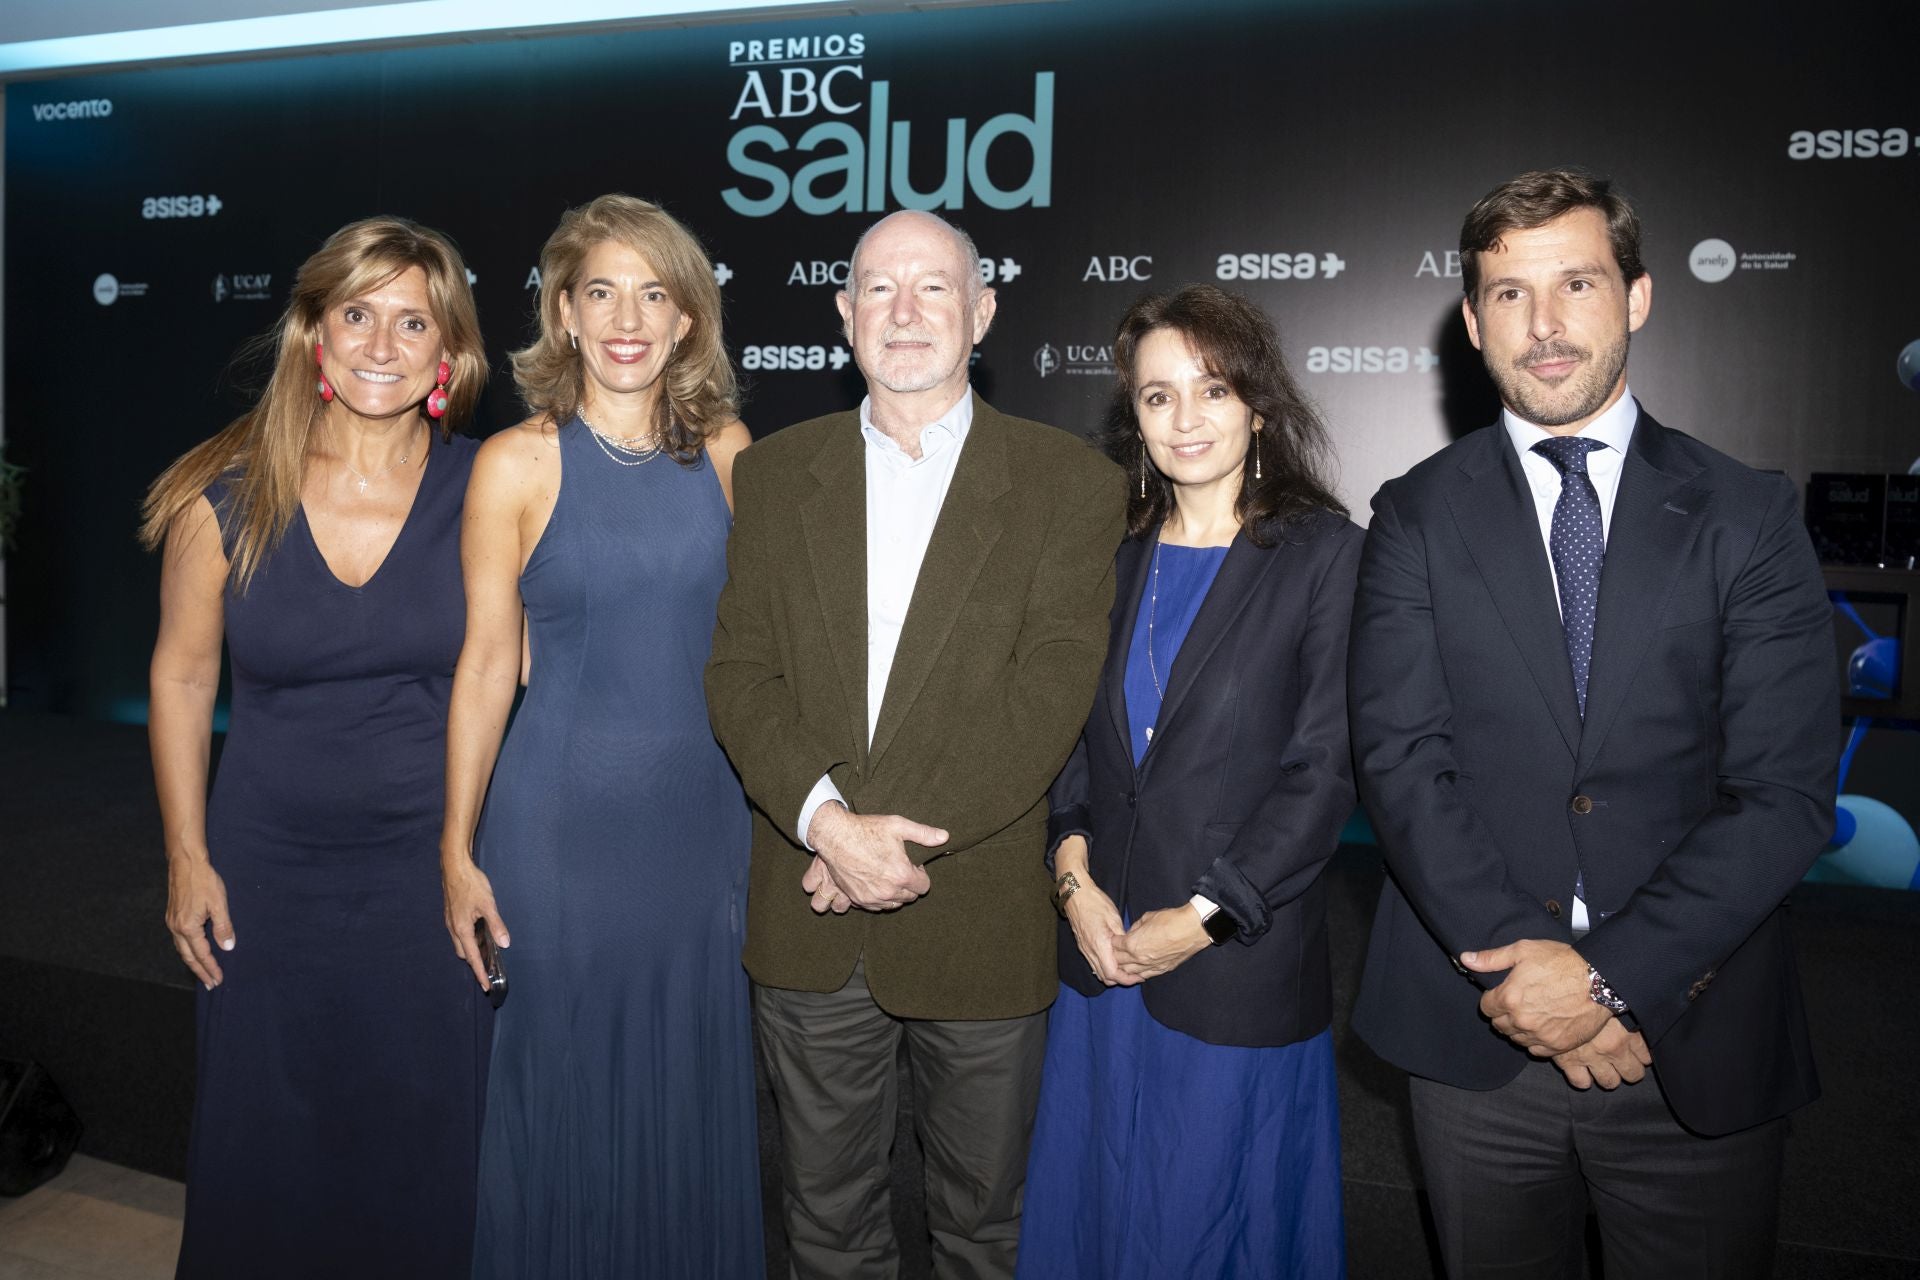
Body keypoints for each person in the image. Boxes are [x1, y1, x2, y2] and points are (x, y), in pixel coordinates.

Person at [1348, 168, 1838, 1278]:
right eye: (1510, 294)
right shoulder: (1414, 512)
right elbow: (1401, 763)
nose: (1548, 324)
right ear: (1473, 322)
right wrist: (1537, 985)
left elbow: (1783, 794)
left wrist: (1606, 977)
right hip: (1477, 1028)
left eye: (1576, 282)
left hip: (1693, 1034)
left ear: (1639, 295)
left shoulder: (1748, 514)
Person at [704, 209, 1125, 1279]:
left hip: (978, 917)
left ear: (981, 313)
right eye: (877, 288)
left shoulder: (1070, 481)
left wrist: (884, 846)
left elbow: (1047, 701)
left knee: (987, 1230)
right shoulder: (774, 471)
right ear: (842, 315)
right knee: (825, 1224)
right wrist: (830, 824)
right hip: (810, 913)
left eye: (934, 287)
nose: (904, 311)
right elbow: (741, 677)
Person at [142, 217, 490, 1278]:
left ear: (451, 355)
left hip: (432, 879)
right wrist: (187, 856)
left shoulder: (495, 489)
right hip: (267, 880)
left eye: (411, 321)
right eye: (355, 314)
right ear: (313, 334)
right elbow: (182, 676)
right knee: (265, 1149)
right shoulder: (228, 498)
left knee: (426, 1147)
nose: (381, 344)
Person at [438, 193, 760, 1278]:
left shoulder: (727, 451)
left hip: (703, 827)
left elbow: (763, 654)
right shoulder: (515, 463)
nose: (628, 316)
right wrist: (457, 846)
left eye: (655, 293)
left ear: (686, 321)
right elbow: (489, 661)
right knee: (563, 1088)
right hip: (560, 833)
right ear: (565, 313)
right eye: (602, 291)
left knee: (687, 1082)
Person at [1017, 286, 1359, 1279]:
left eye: (1212, 389)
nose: (1186, 418)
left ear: (1259, 403)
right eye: (1159, 397)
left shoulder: (1327, 556)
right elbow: (1073, 740)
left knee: (1210, 1231)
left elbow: (1324, 772)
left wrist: (1203, 915)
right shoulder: (1109, 557)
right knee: (1098, 1216)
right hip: (1103, 955)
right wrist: (1073, 878)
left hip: (1230, 965)